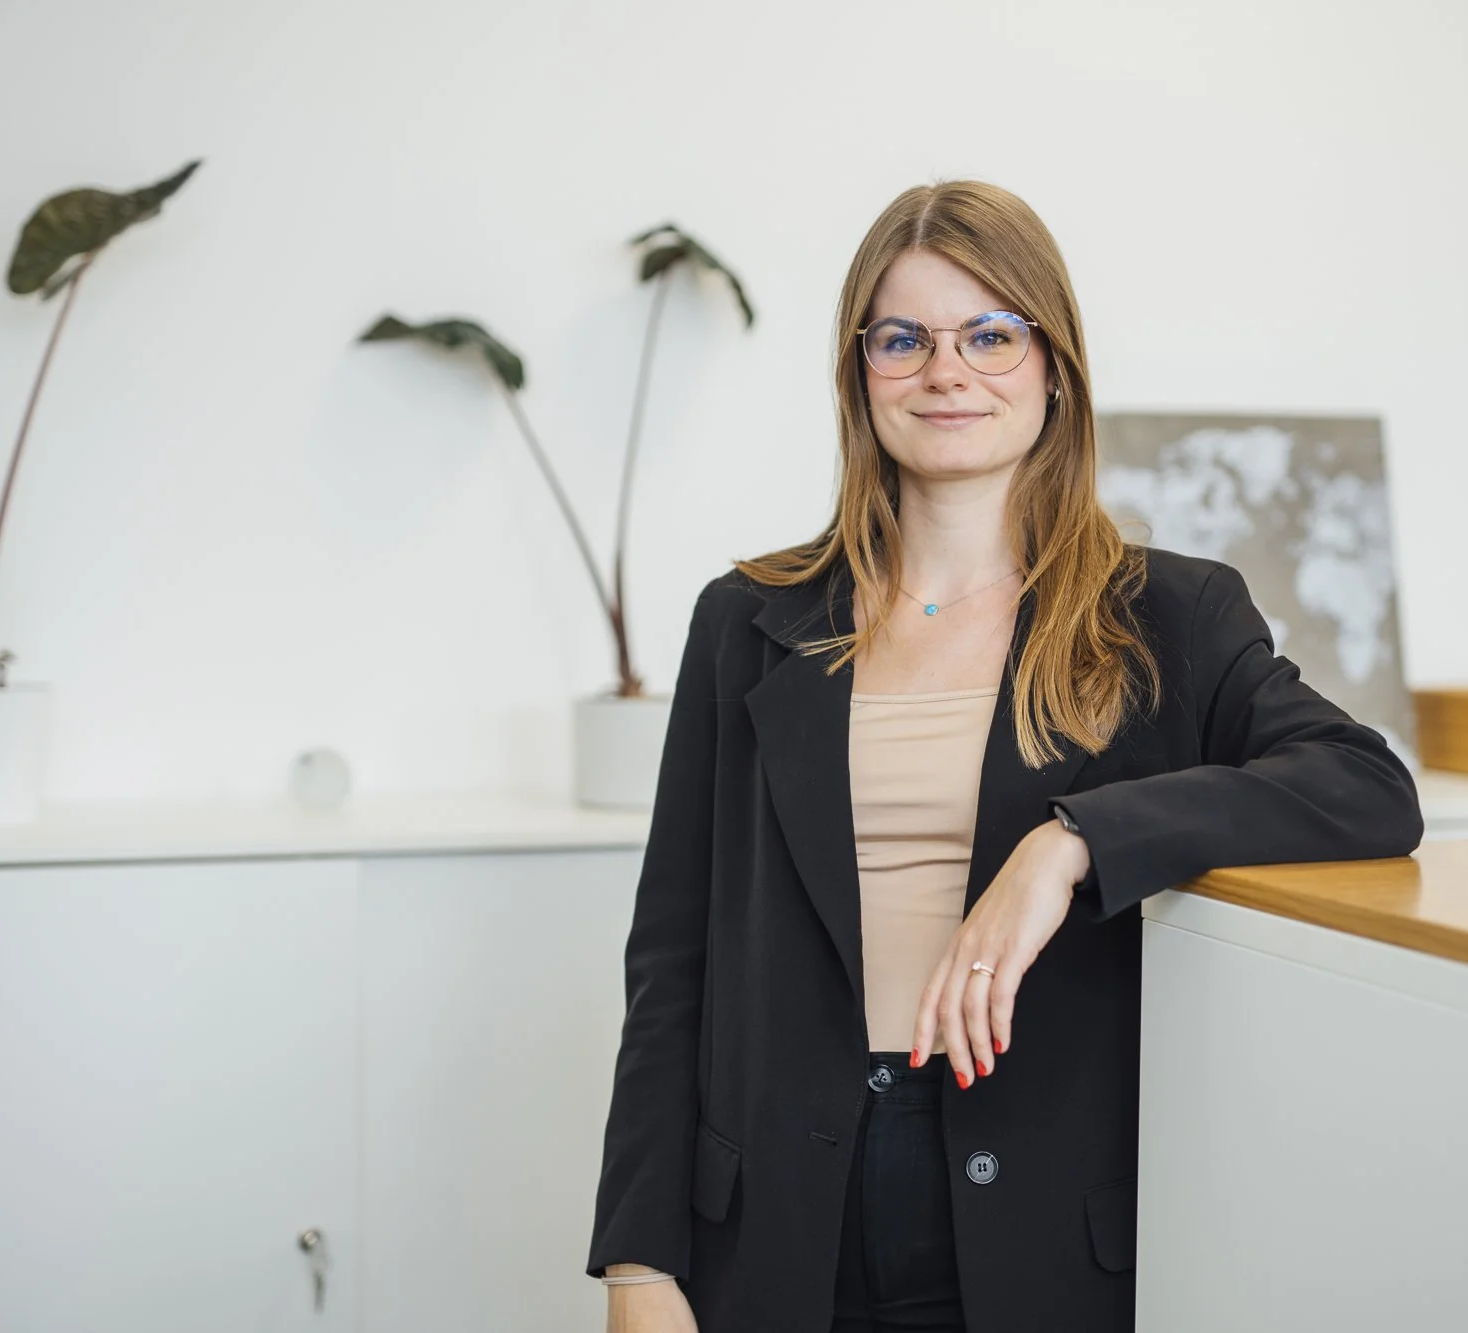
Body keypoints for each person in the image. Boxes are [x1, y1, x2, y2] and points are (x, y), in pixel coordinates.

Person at [586, 179, 1424, 1333]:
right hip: (772, 1216)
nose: (947, 371)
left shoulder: (1167, 614)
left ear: (1051, 366)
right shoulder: (745, 618)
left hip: (1035, 1219)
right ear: (858, 371)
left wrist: (1072, 843)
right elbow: (670, 959)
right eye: (903, 338)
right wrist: (637, 1259)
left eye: (990, 333)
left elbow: (1363, 787)